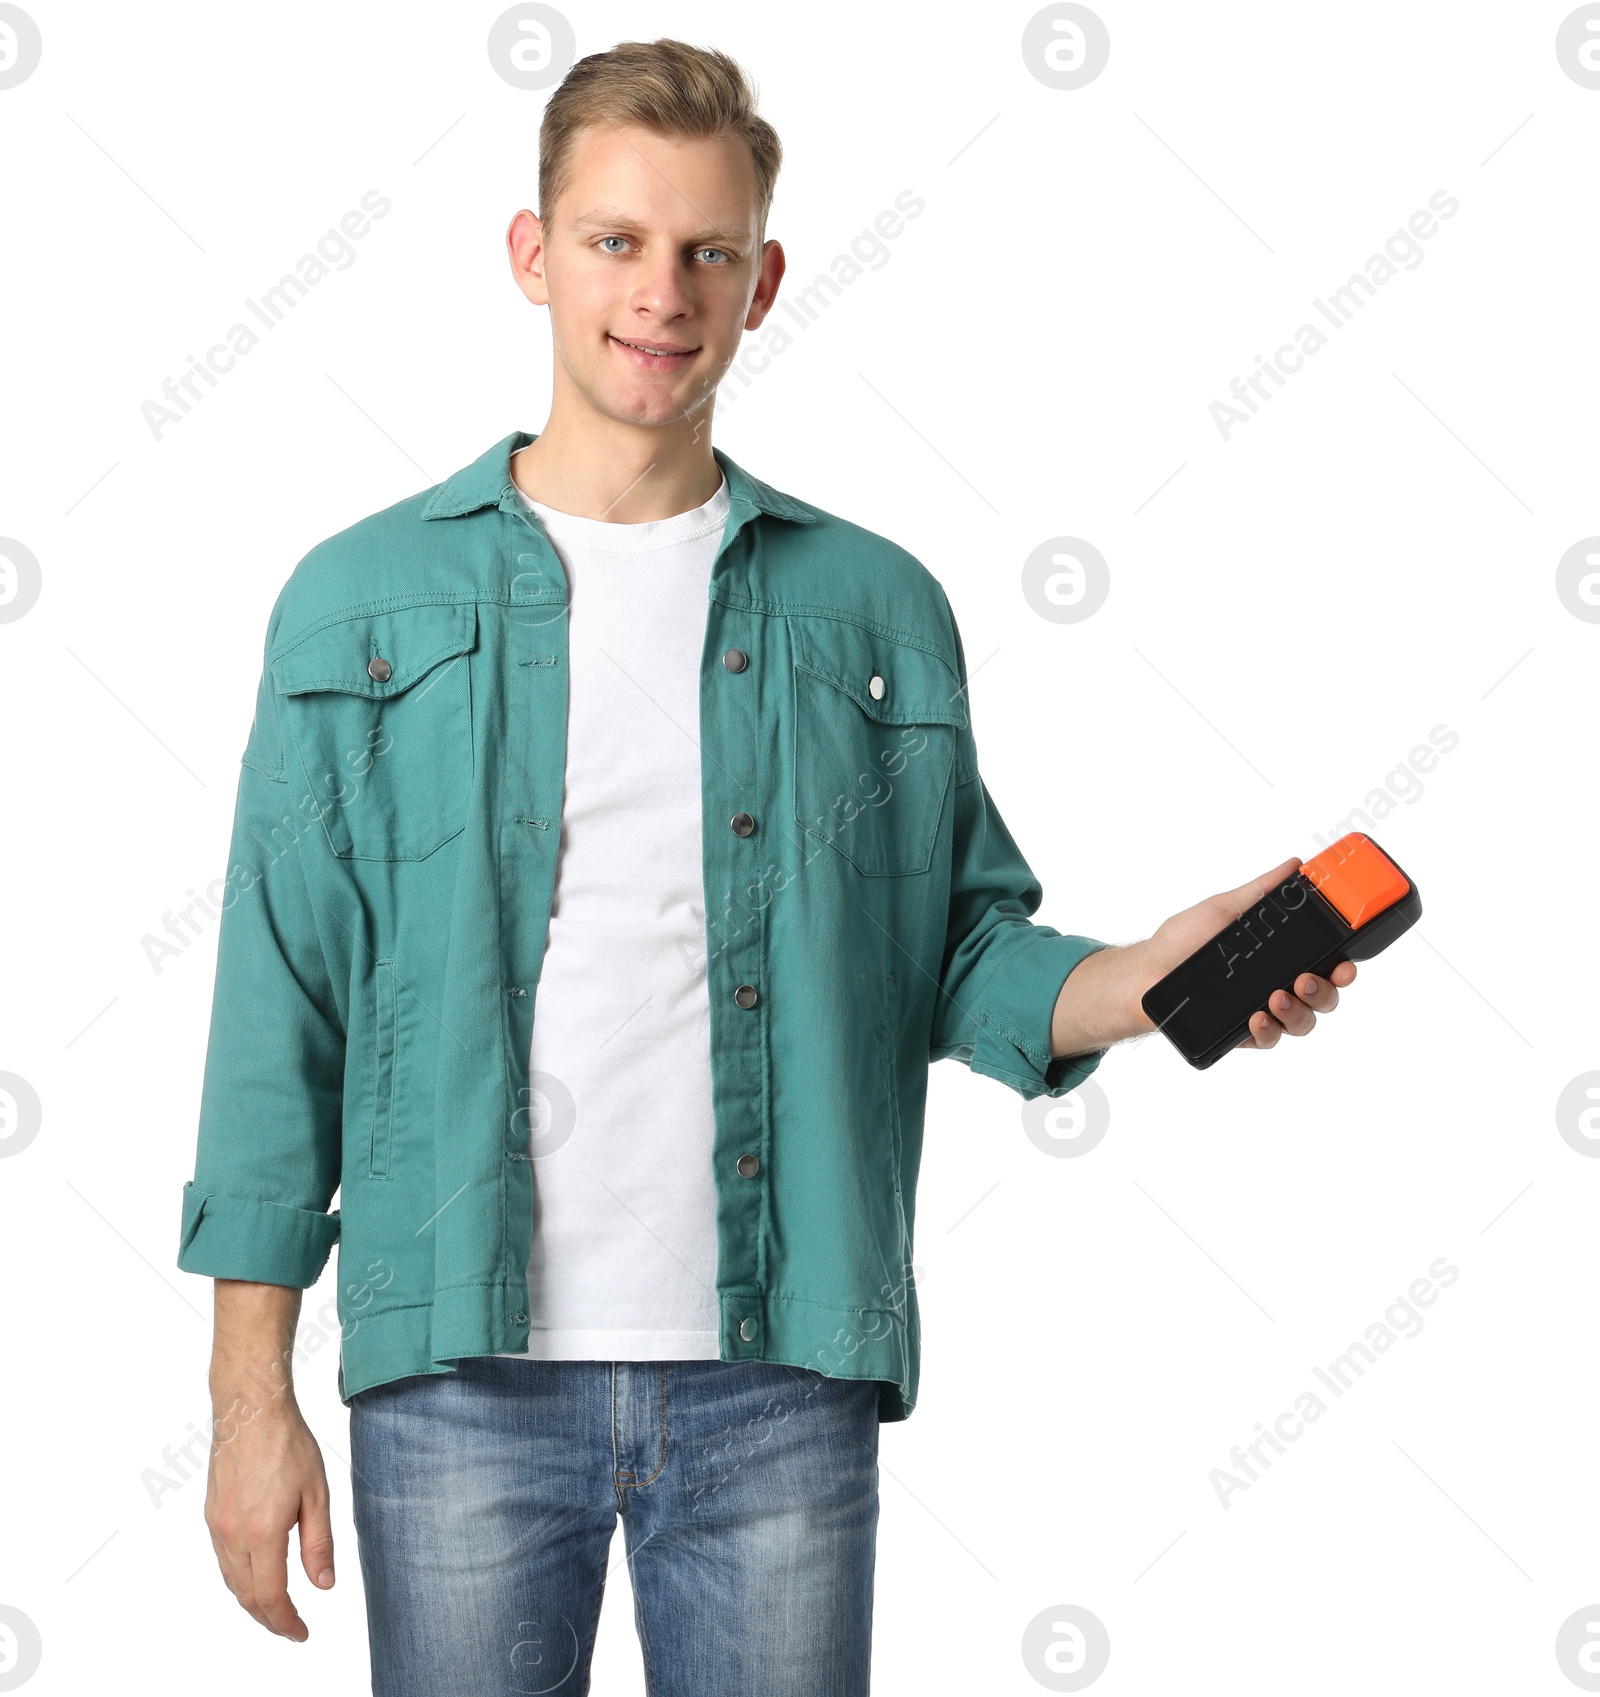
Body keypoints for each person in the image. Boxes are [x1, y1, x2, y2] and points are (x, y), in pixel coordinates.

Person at [177, 36, 1356, 1697]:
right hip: (455, 1381)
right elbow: (277, 1012)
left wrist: (1158, 976)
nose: (661, 292)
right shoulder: (357, 605)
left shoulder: (870, 612)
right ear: (532, 255)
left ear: (763, 279)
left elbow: (953, 952)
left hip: (777, 1382)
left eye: (706, 252)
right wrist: (248, 1404)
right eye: (616, 242)